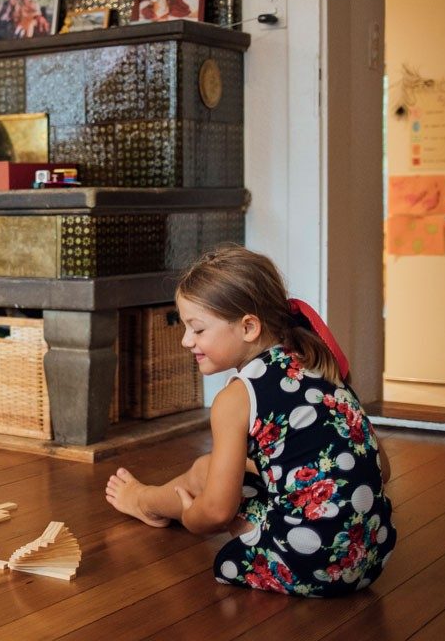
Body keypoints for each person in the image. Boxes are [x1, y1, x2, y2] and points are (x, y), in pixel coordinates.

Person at [105, 245, 397, 596]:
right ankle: (147, 501)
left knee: (207, 483)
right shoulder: (319, 362)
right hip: (371, 556)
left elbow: (214, 512)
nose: (186, 341)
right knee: (207, 469)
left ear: (248, 327)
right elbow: (383, 469)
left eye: (197, 330)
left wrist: (191, 515)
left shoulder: (236, 398)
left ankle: (146, 501)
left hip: (311, 565)